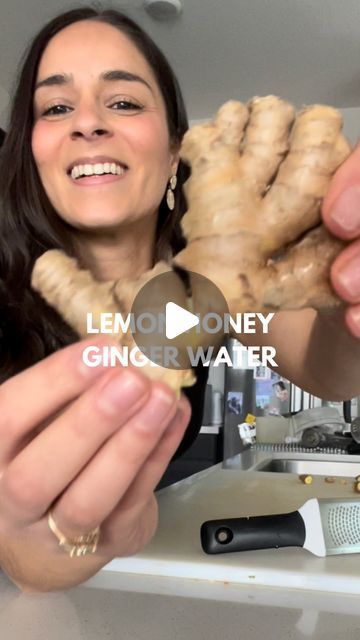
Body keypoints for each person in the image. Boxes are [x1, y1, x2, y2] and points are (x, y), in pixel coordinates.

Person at [0, 7, 359, 594]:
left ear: (174, 154)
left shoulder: (208, 289)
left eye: (123, 102)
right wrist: (48, 551)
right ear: (33, 154)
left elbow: (326, 368)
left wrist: (349, 308)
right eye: (56, 107)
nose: (87, 122)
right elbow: (23, 560)